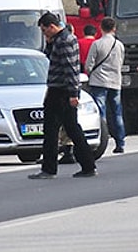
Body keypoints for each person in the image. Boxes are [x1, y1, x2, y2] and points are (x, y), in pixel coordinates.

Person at [29, 12, 98, 179]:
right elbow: (50, 57)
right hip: (57, 89)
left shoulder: (64, 41)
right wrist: (49, 42)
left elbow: (71, 69)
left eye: (45, 31)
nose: (45, 34)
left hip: (62, 91)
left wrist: (73, 93)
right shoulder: (60, 39)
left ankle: (52, 168)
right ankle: (85, 165)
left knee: (62, 129)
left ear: (52, 27)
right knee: (62, 128)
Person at [85, 17, 126, 154]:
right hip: (115, 81)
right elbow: (120, 62)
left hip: (99, 82)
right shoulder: (119, 45)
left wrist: (90, 73)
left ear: (100, 28)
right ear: (114, 28)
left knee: (101, 112)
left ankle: (102, 141)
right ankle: (120, 143)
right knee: (117, 113)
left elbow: (89, 65)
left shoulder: (97, 44)